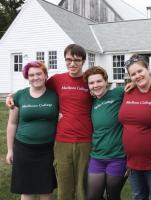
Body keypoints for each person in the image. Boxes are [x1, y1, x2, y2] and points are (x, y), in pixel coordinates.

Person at [6, 44, 92, 200]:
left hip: (74, 141)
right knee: (57, 186)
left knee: (76, 187)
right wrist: (10, 96)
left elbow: (103, 92)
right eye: (68, 60)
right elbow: (34, 87)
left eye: (77, 60)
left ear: (83, 61)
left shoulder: (89, 80)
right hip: (53, 141)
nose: (72, 63)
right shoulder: (57, 80)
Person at [6, 61, 58, 200]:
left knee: (45, 189)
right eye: (31, 75)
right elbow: (12, 123)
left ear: (46, 75)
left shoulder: (54, 95)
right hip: (24, 149)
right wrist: (10, 150)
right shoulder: (20, 96)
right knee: (27, 189)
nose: (35, 77)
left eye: (39, 73)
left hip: (47, 150)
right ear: (27, 77)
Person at [118, 54, 151, 200]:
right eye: (133, 74)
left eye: (140, 71)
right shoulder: (128, 91)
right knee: (137, 196)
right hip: (132, 161)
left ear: (148, 69)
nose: (137, 76)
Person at [83, 66, 127, 200]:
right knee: (92, 196)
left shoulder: (118, 93)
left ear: (106, 81)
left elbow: (140, 85)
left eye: (99, 81)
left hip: (117, 157)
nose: (95, 85)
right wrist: (15, 96)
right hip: (97, 156)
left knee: (112, 195)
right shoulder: (91, 101)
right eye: (91, 83)